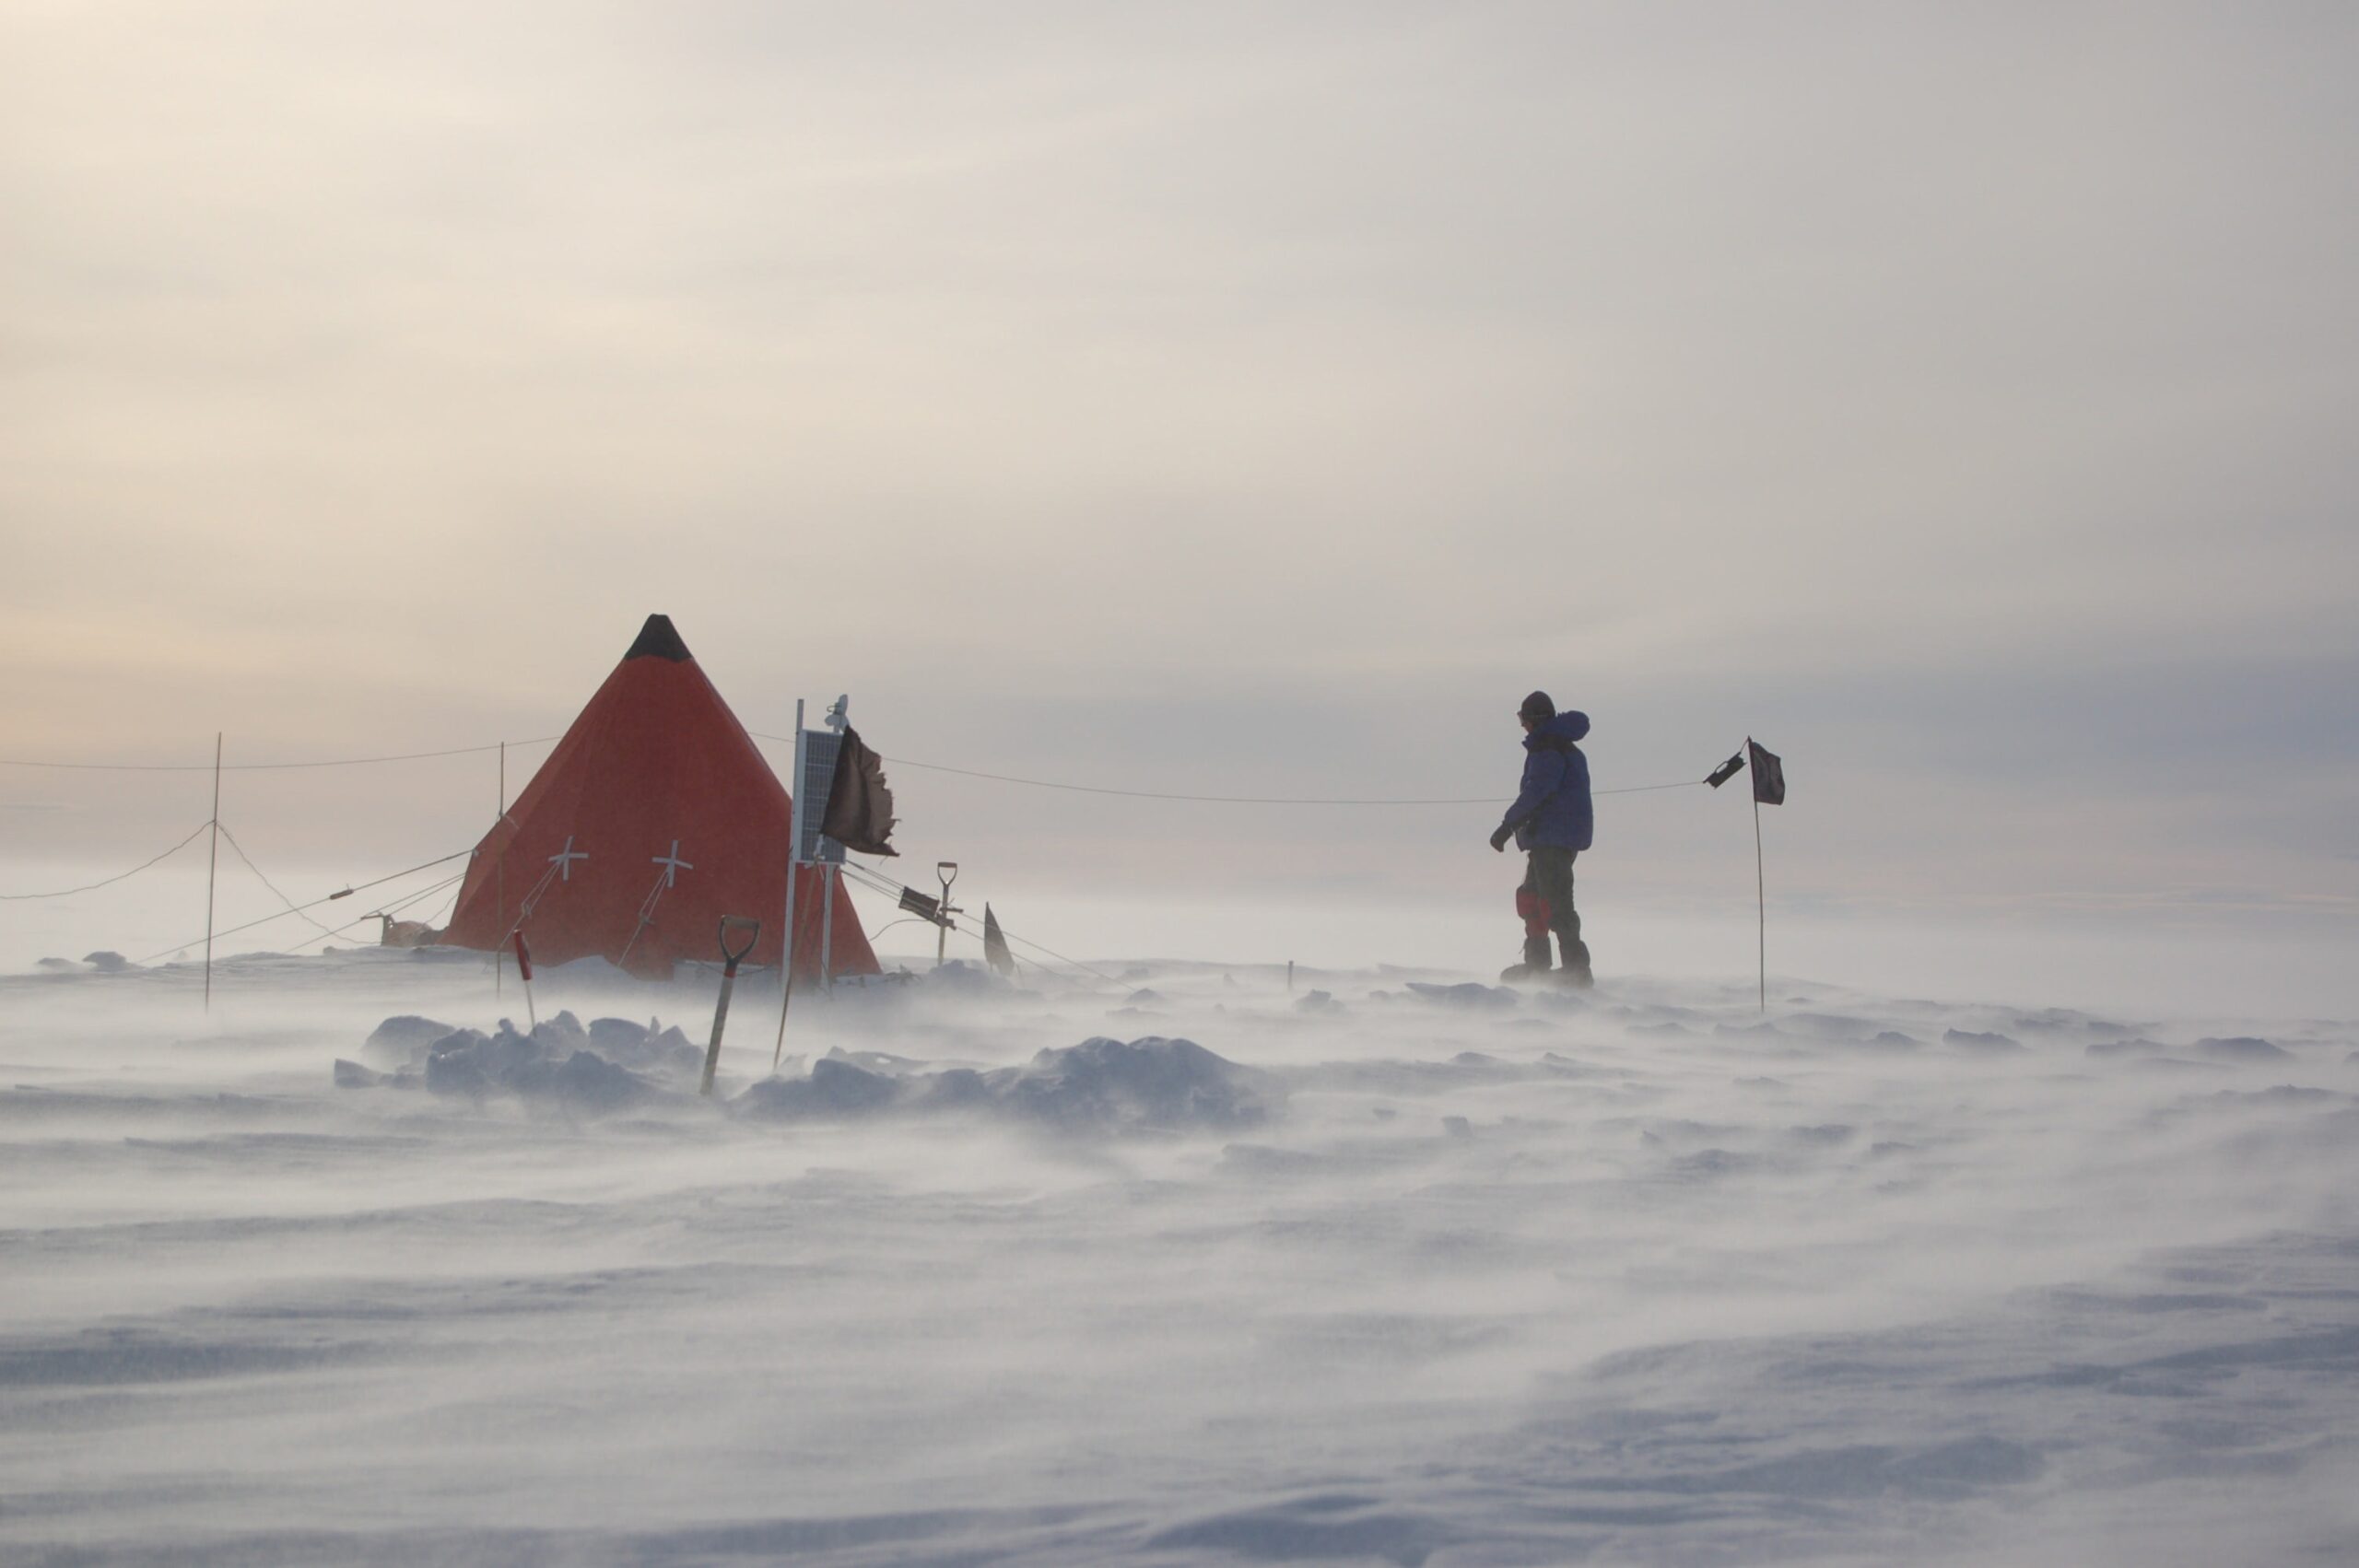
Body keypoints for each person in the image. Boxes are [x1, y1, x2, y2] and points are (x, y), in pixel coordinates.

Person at [1489, 690, 1594, 987]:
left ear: (1534, 720)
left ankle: (1577, 972)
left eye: (1523, 718)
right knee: (1531, 900)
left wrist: (1506, 827)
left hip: (1553, 839)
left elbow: (1537, 792)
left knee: (1556, 903)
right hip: (1545, 838)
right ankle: (1537, 967)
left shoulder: (1549, 750)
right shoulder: (1554, 747)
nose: (1522, 725)